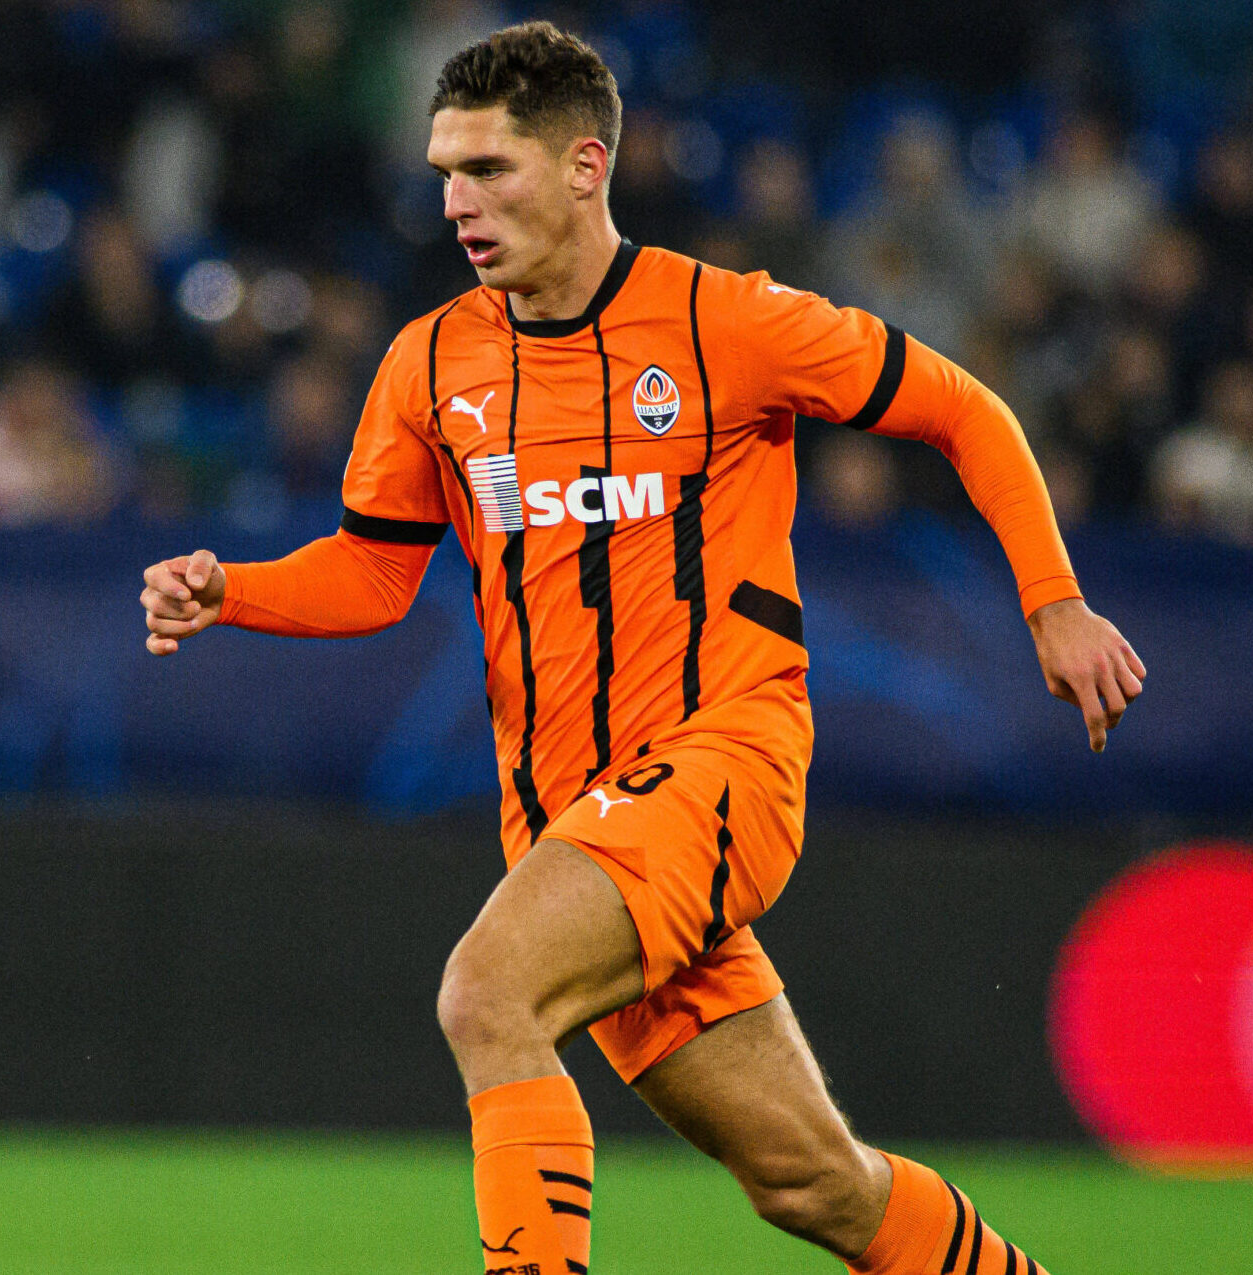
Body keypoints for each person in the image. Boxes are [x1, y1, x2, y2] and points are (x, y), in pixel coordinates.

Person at [138, 23, 1143, 1275]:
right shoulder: (432, 362)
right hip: (570, 820)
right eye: (446, 171)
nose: (456, 202)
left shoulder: (726, 324)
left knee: (487, 995)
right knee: (810, 1184)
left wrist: (1051, 601)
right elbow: (374, 573)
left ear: (581, 166)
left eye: (490, 170)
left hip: (721, 761)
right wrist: (228, 589)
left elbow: (963, 408)